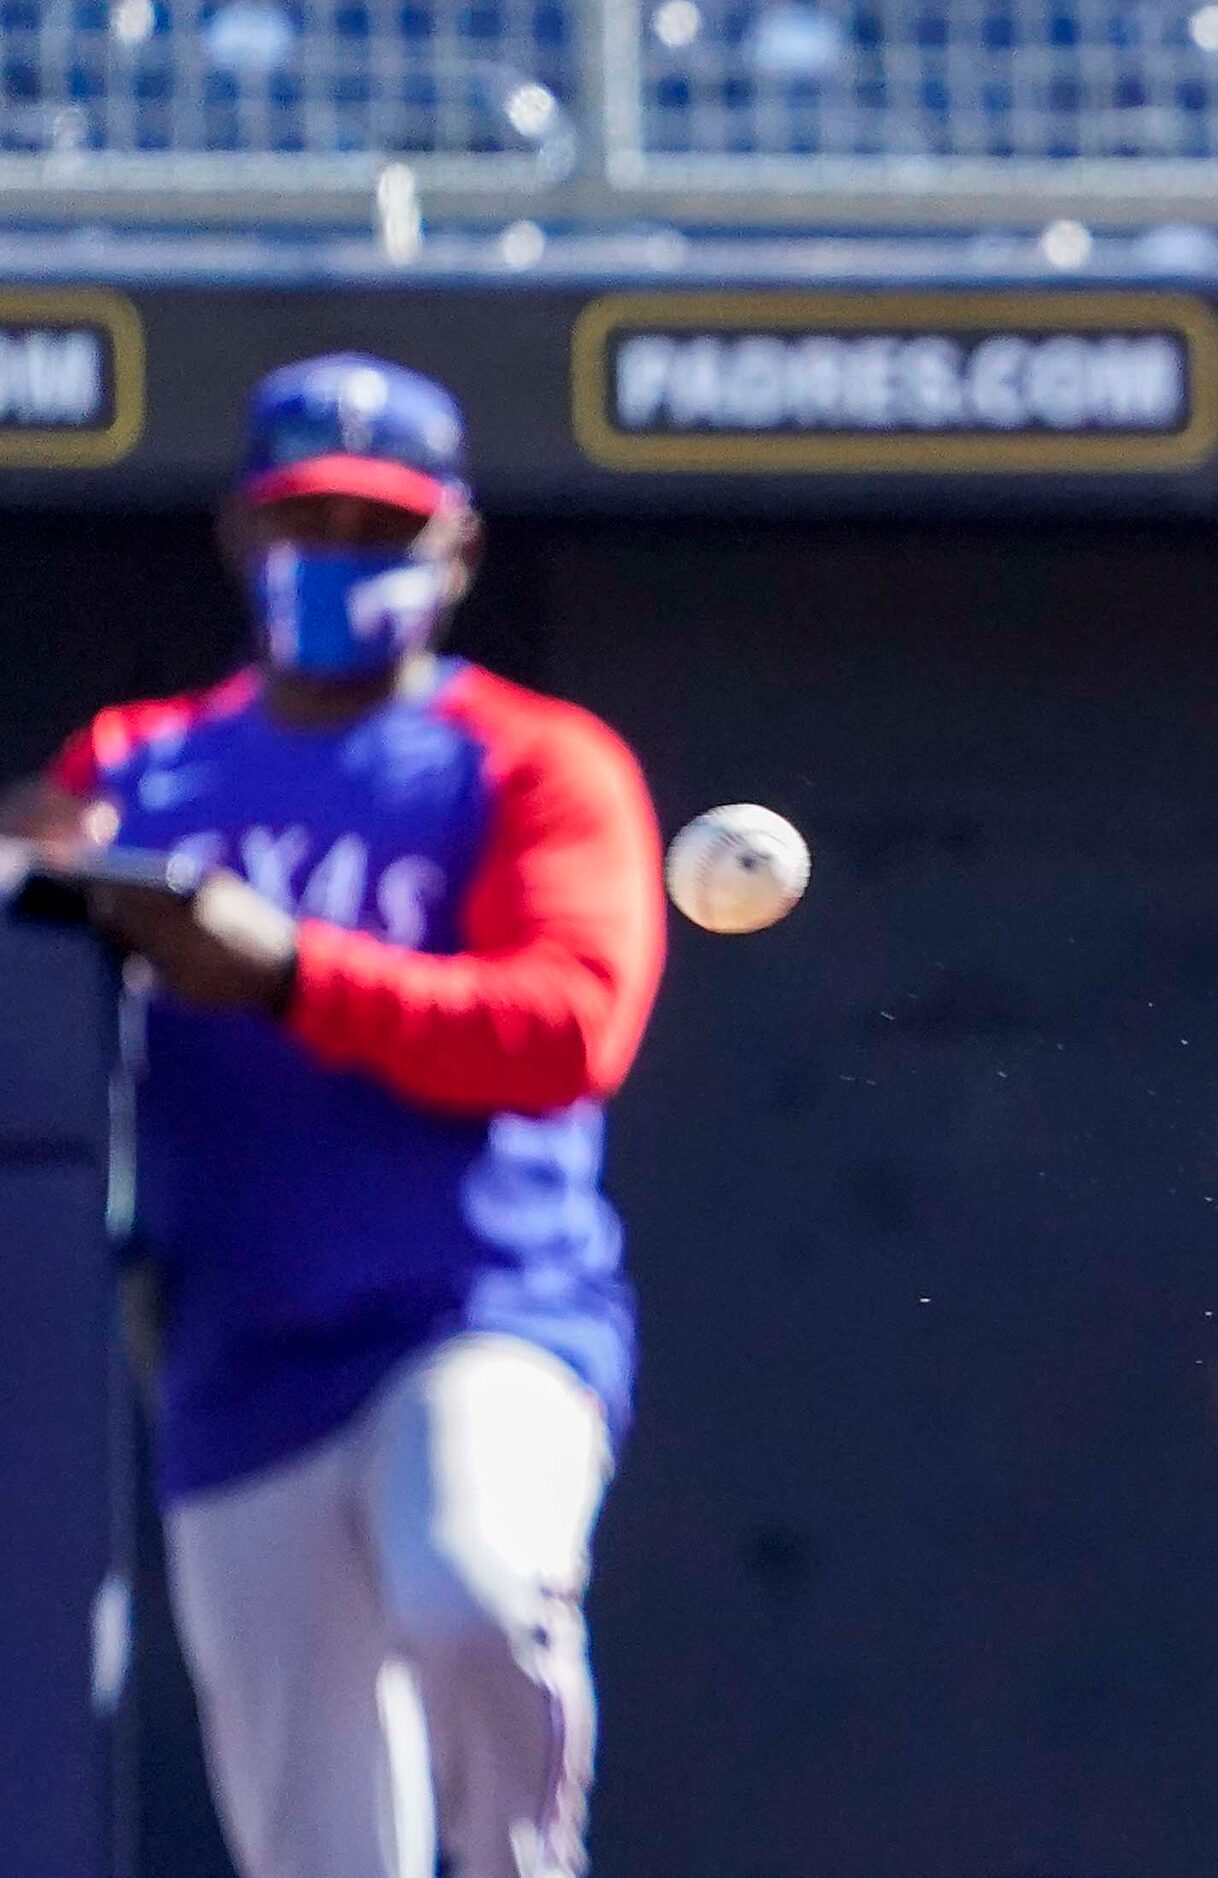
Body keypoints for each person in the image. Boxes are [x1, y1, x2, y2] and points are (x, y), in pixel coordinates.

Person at [0, 354, 665, 1878]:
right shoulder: (139, 768)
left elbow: (570, 1027)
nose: (342, 559)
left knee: (477, 1583)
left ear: (455, 548)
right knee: (316, 1849)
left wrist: (292, 969)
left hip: (477, 1311)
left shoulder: (532, 762)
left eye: (381, 526)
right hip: (236, 1349)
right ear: (245, 534)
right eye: (312, 521)